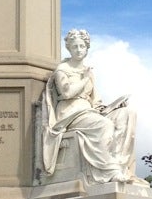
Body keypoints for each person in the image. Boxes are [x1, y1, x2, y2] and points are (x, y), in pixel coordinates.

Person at [41, 29, 137, 183]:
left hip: (89, 111)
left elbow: (96, 102)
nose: (79, 50)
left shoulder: (88, 72)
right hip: (70, 113)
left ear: (87, 48)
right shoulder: (63, 69)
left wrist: (114, 107)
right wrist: (85, 79)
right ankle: (109, 171)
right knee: (104, 125)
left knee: (126, 115)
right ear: (69, 49)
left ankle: (118, 163)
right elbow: (66, 93)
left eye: (81, 46)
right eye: (75, 47)